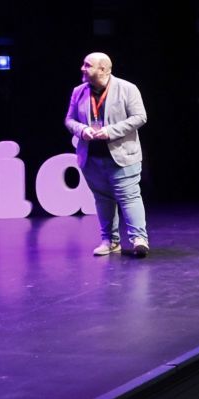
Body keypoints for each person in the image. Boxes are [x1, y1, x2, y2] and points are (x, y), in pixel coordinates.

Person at [66, 51, 149, 257]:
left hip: (122, 156)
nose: (82, 68)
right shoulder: (79, 91)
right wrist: (82, 130)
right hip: (92, 157)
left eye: (87, 65)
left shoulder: (127, 88)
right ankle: (110, 241)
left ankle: (139, 239)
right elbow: (69, 120)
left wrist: (110, 131)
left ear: (102, 69)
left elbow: (140, 117)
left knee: (129, 197)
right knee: (103, 199)